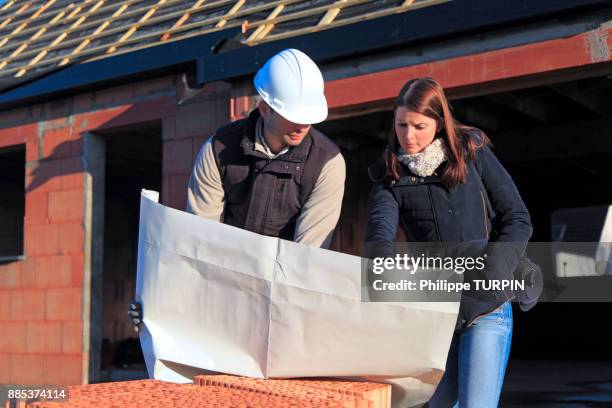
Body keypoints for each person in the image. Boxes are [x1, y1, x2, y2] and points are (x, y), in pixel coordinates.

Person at [129, 48, 346, 331]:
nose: (303, 124)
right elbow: (200, 240)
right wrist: (165, 303)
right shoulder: (218, 150)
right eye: (293, 115)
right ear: (265, 108)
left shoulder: (327, 162)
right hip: (223, 287)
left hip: (286, 298)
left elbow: (307, 257)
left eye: (309, 116)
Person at [364, 77, 532, 407]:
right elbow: (378, 241)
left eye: (419, 126)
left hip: (486, 307)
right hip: (436, 312)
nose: (408, 136)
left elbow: (517, 217)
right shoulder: (391, 176)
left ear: (439, 124)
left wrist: (494, 271)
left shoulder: (473, 152)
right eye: (401, 125)